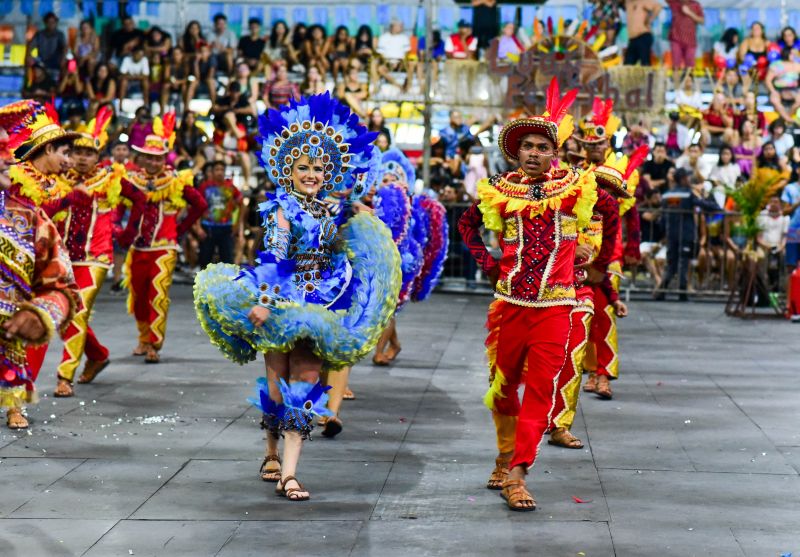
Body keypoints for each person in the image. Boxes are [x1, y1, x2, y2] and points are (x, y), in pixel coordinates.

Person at [194, 92, 400, 500]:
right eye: (303, 167)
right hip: (280, 301)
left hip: (320, 305)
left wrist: (363, 215)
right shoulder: (280, 210)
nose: (311, 174)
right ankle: (270, 452)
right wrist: (264, 302)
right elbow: (274, 257)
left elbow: (355, 233)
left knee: (304, 383)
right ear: (288, 170)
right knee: (276, 389)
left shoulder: (336, 209)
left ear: (328, 172)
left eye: (318, 168)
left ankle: (290, 473)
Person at [458, 78, 596, 511]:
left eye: (542, 146)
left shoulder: (576, 187)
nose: (534, 153)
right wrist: (489, 263)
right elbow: (466, 226)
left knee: (540, 390)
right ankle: (503, 455)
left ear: (555, 152)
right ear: (516, 152)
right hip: (510, 306)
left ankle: (519, 473)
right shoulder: (499, 190)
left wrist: (587, 254)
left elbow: (601, 221)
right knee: (502, 388)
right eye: (527, 146)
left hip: (556, 306)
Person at [50, 107, 147, 396]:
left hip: (96, 256)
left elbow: (139, 199)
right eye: (77, 151)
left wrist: (128, 234)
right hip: (61, 257)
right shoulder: (58, 178)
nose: (81, 157)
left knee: (77, 312)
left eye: (88, 153)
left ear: (98, 155)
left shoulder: (110, 178)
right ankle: (98, 354)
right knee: (62, 314)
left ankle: (64, 376)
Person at [0, 100, 79, 430]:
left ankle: (14, 405)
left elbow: (63, 283)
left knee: (12, 356)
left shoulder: (31, 217)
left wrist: (41, 313)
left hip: (10, 312)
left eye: (7, 166)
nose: (9, 169)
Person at [126, 113, 207, 364]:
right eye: (148, 157)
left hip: (164, 248)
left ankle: (155, 343)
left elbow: (200, 204)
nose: (152, 162)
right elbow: (116, 208)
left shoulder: (175, 181)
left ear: (164, 158)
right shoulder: (130, 180)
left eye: (157, 157)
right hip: (138, 247)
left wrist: (181, 228)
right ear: (140, 157)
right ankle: (143, 337)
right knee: (138, 295)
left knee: (157, 293)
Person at [654, 168, 720, 300]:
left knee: (672, 263)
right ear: (683, 178)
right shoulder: (688, 194)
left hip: (671, 234)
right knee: (683, 262)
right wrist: (718, 208)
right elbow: (704, 204)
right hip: (685, 234)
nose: (690, 180)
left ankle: (661, 291)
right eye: (688, 177)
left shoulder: (667, 195)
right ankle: (682, 292)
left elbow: (662, 215)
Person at [197, 160, 243, 268]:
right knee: (205, 260)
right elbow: (196, 208)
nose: (220, 172)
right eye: (217, 169)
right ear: (212, 172)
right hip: (208, 228)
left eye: (222, 169)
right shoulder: (205, 187)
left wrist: (237, 224)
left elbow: (242, 204)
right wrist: (198, 227)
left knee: (228, 261)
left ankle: (227, 284)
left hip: (226, 228)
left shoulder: (230, 187)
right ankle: (203, 284)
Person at [757, 195, 789, 291]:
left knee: (786, 256)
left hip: (779, 246)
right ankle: (763, 285)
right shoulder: (762, 216)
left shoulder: (785, 218)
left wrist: (781, 246)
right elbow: (758, 237)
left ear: (780, 204)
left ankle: (782, 286)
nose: (774, 204)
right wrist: (767, 246)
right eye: (772, 201)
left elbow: (785, 237)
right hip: (764, 245)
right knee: (761, 256)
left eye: (776, 202)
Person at [666, 0, 704, 72]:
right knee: (676, 65)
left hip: (690, 40)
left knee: (690, 65)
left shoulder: (696, 4)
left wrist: (690, 13)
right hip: (676, 39)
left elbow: (702, 21)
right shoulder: (674, 2)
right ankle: (676, 83)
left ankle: (688, 82)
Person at [765, 48, 800, 124]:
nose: (794, 56)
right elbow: (768, 80)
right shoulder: (777, 65)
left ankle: (786, 118)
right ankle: (788, 119)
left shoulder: (797, 66)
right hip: (779, 89)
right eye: (792, 54)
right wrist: (773, 91)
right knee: (774, 100)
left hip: (794, 90)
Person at [376, 20, 412, 91]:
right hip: (387, 62)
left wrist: (399, 62)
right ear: (393, 26)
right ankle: (398, 85)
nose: (402, 27)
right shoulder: (383, 37)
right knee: (380, 69)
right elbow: (381, 54)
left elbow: (406, 53)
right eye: (400, 26)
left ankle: (408, 88)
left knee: (411, 65)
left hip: (401, 62)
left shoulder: (404, 38)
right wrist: (388, 62)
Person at [624, 0, 661, 66]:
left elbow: (658, 7)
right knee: (627, 65)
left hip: (643, 35)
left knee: (645, 65)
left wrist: (650, 19)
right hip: (632, 39)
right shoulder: (627, 2)